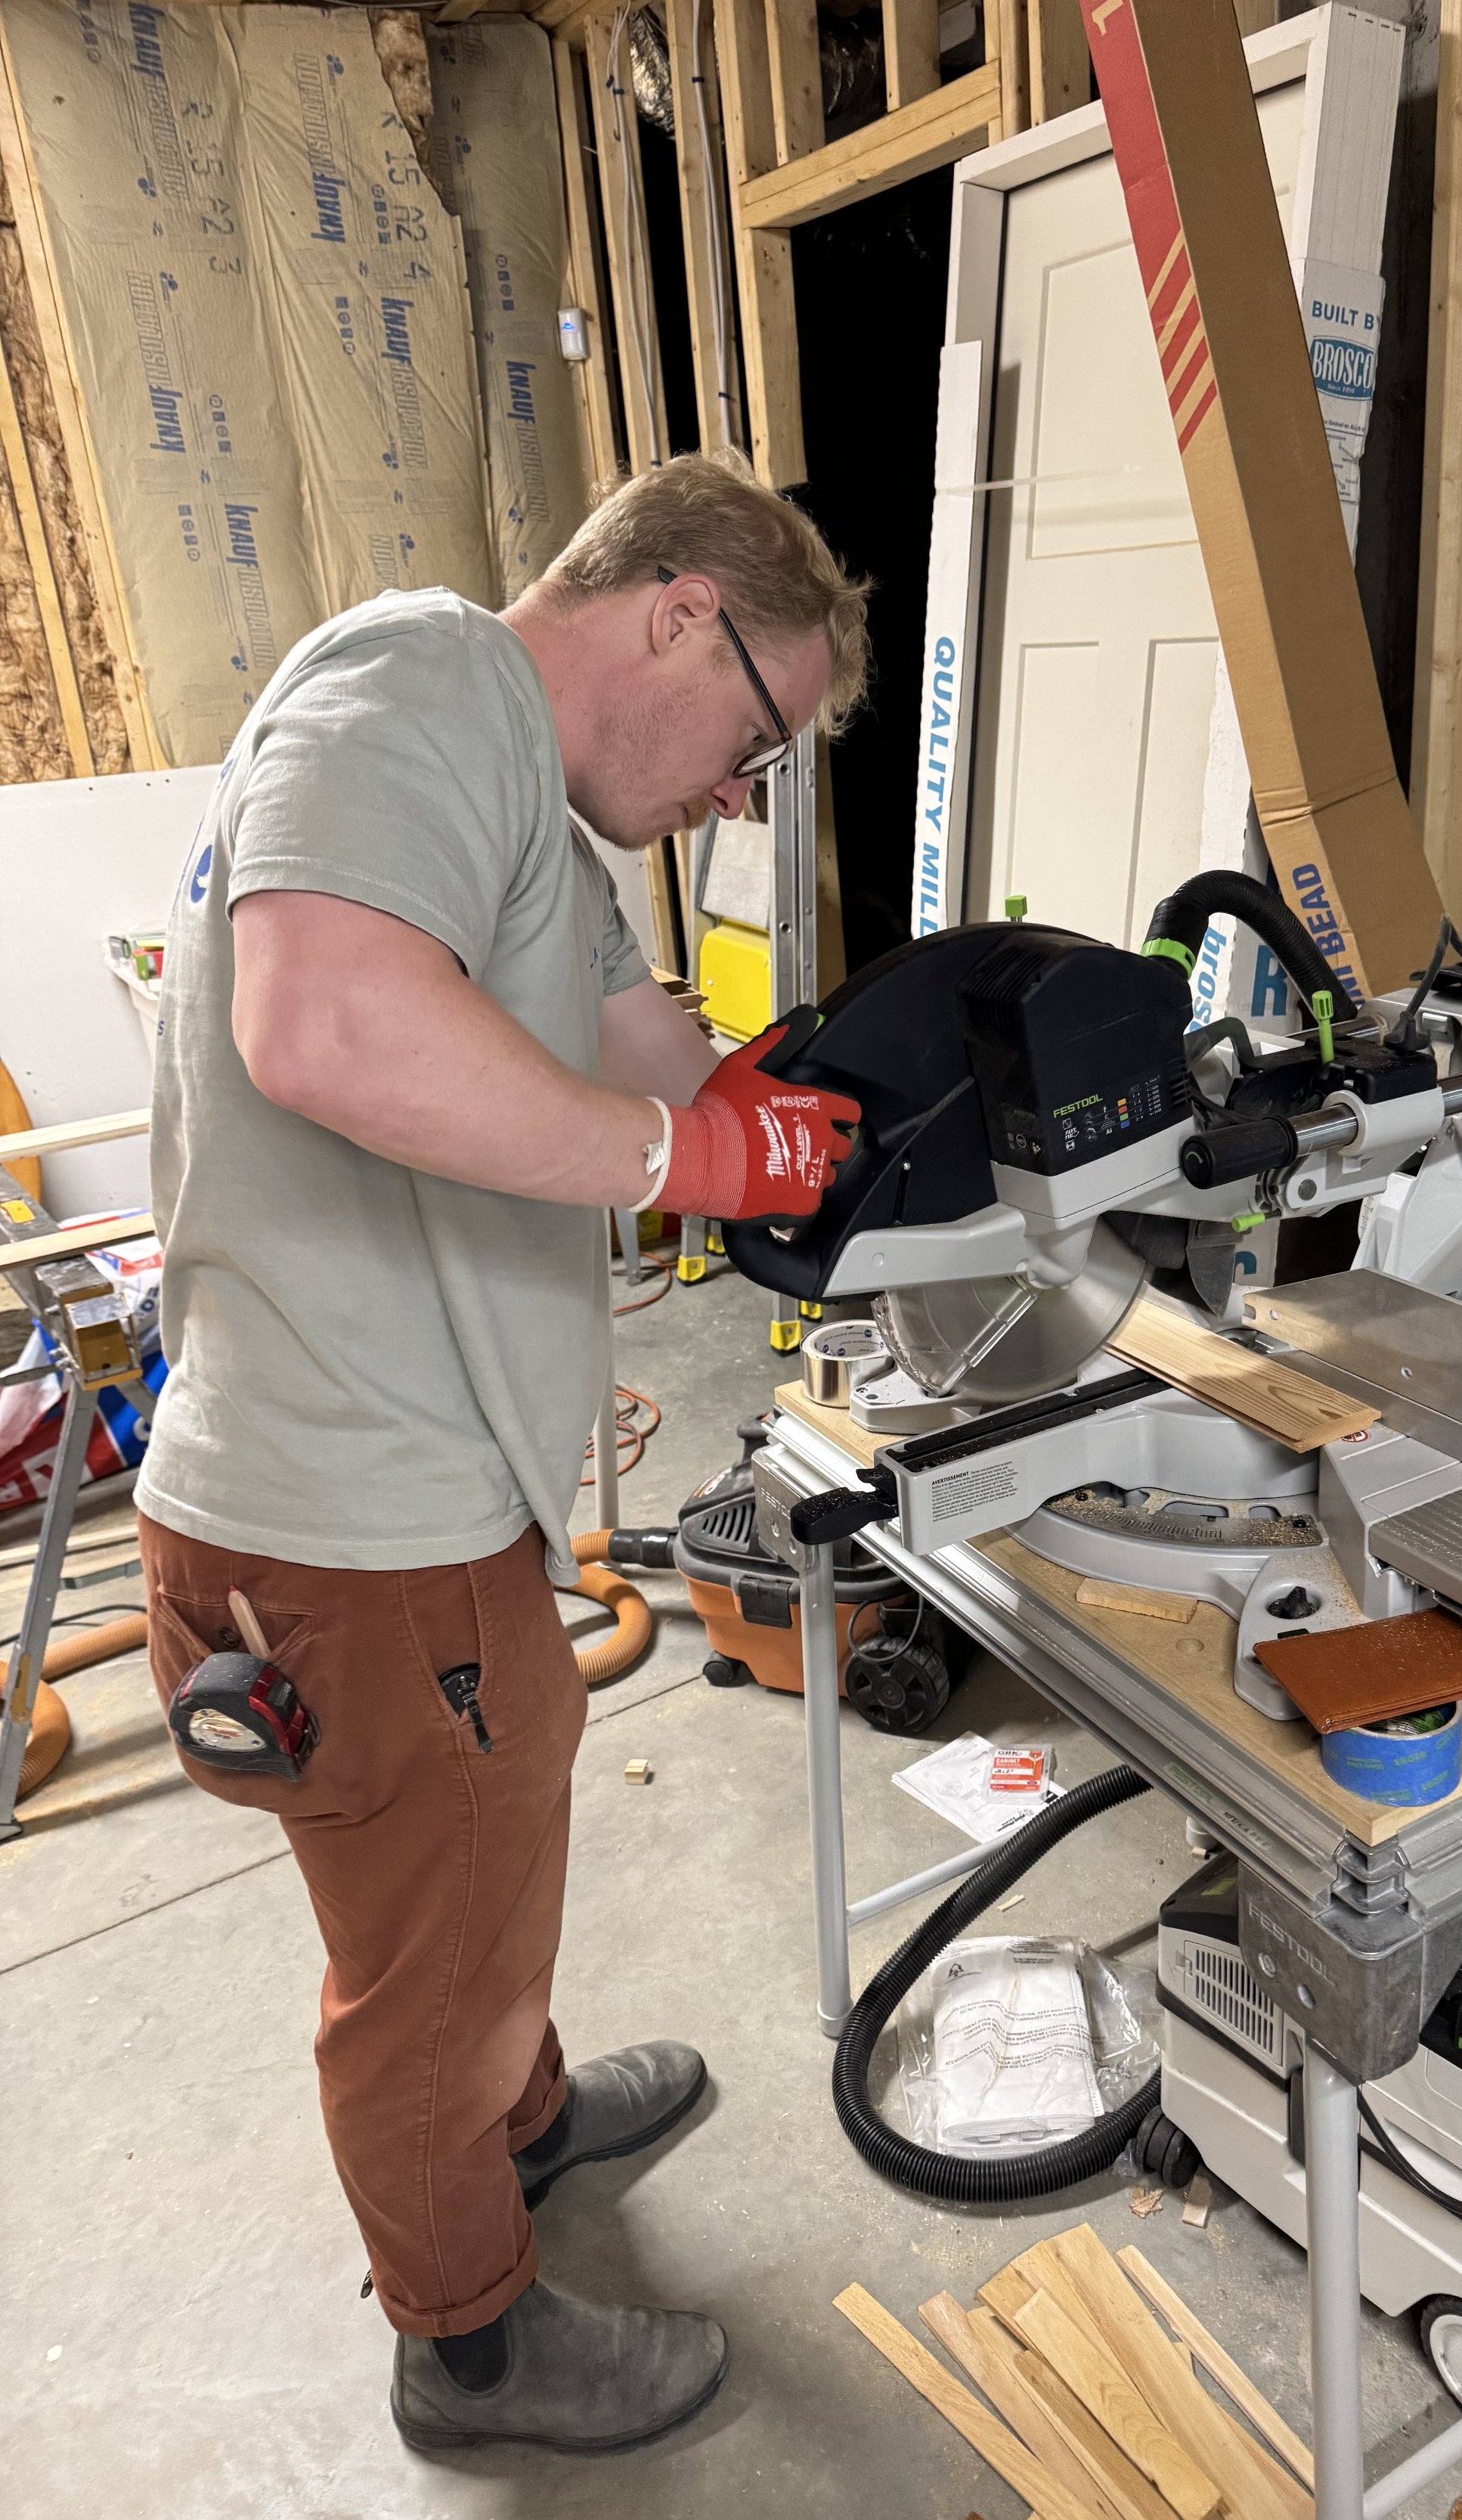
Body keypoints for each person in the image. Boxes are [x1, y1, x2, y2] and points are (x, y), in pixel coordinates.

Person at [134, 451, 867, 2455]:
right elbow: (330, 1031)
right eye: (759, 733)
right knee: (422, 1977)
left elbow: (636, 1044)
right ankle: (468, 2340)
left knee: (458, 1884)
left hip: (411, 1502)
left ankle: (521, 2124)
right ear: (669, 615)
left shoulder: (527, 814)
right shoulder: (418, 683)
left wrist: (791, 1124)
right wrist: (679, 1158)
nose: (742, 791)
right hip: (347, 1526)